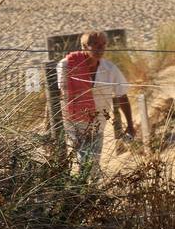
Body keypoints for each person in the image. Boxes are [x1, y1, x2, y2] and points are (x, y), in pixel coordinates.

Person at [56, 31, 135, 178]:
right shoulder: (66, 65)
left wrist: (130, 124)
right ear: (84, 46)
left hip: (98, 124)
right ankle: (85, 192)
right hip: (73, 122)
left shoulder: (110, 69)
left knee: (92, 160)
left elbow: (122, 95)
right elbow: (61, 93)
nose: (100, 48)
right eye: (95, 45)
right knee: (84, 160)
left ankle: (88, 192)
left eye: (103, 45)